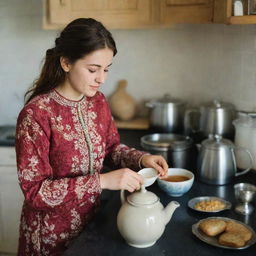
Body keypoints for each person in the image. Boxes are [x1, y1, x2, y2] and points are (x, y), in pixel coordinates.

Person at [15, 18, 168, 255]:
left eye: (106, 69)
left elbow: (110, 149)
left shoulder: (98, 102)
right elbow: (36, 192)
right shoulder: (36, 115)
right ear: (66, 62)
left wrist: (141, 159)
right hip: (49, 239)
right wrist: (103, 181)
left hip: (92, 229)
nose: (102, 79)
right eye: (93, 69)